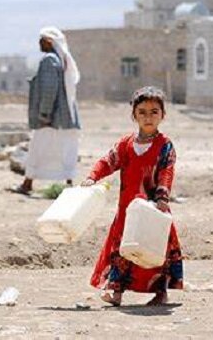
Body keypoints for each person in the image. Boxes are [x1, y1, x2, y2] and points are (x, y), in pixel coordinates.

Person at [81, 86, 183, 306]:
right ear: (134, 115)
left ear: (162, 115)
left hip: (155, 208)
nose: (148, 117)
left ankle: (160, 293)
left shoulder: (165, 146)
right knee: (121, 250)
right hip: (128, 210)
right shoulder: (126, 145)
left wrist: (162, 198)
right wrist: (93, 177)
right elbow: (108, 161)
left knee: (156, 250)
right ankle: (115, 291)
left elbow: (167, 172)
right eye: (142, 112)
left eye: (154, 112)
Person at [10, 27, 81, 195]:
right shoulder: (60, 60)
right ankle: (68, 183)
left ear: (49, 42)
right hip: (66, 116)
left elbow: (49, 90)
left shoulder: (49, 60)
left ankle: (27, 184)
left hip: (52, 118)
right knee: (65, 149)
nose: (39, 44)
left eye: (41, 41)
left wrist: (44, 114)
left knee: (38, 149)